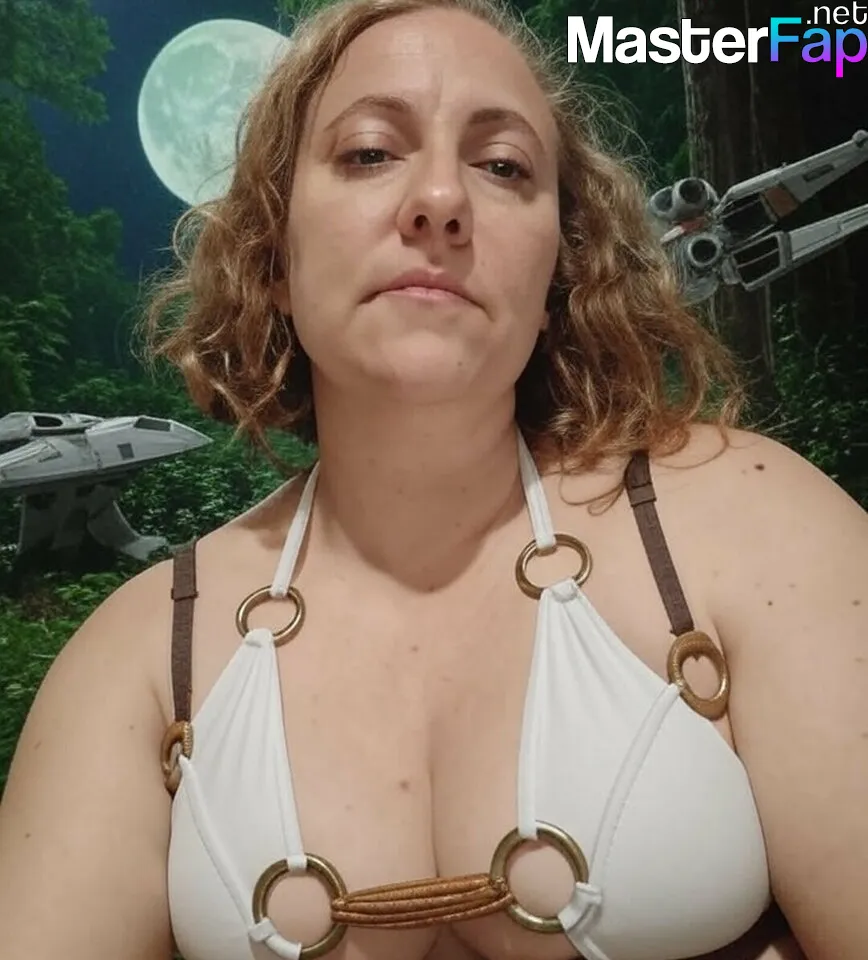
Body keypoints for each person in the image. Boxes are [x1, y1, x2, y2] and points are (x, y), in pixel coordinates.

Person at [1, 0, 866, 957]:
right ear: (273, 258)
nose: (442, 198)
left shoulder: (752, 524)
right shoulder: (137, 661)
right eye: (370, 152)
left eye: (503, 167)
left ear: (558, 274)